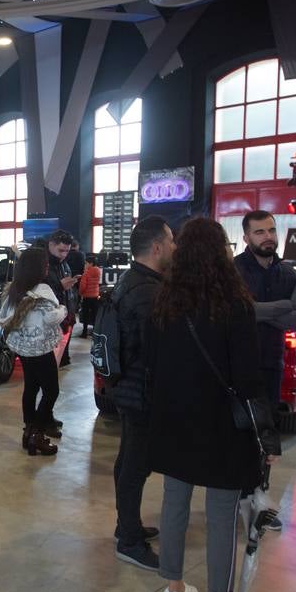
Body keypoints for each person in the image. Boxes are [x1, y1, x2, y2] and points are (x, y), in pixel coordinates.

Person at [145, 218, 281, 592]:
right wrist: (267, 434)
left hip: (175, 421)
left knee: (175, 504)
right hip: (222, 426)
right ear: (222, 252)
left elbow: (155, 369)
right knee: (222, 516)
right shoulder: (234, 305)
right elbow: (248, 377)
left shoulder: (163, 301)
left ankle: (173, 590)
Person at [233, 210, 296, 531]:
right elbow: (234, 313)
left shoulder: (287, 274)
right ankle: (239, 498)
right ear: (247, 237)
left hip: (273, 365)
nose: (267, 237)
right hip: (239, 366)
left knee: (268, 437)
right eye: (259, 232)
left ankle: (259, 498)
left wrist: (259, 312)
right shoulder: (233, 271)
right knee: (240, 437)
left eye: (271, 230)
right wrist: (280, 309)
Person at [110, 217, 175, 572]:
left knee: (127, 462)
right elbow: (156, 350)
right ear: (157, 247)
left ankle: (127, 525)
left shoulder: (132, 280)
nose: (175, 247)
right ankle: (129, 542)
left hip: (127, 387)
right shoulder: (147, 291)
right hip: (141, 391)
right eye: (171, 241)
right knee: (135, 466)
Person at [0, 246, 65, 456]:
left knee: (31, 389)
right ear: (39, 268)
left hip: (23, 349)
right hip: (41, 349)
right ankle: (36, 434)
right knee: (51, 391)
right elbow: (51, 318)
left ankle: (28, 431)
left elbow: (4, 317)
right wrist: (63, 309)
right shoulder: (43, 291)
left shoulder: (14, 290)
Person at [43, 230, 80, 367]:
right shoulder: (42, 264)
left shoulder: (64, 264)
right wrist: (59, 286)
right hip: (51, 320)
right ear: (51, 244)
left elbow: (68, 291)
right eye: (61, 250)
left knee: (59, 361)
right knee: (50, 365)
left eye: (67, 251)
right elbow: (38, 294)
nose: (64, 255)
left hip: (66, 316)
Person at [78, 253, 102, 336]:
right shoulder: (98, 271)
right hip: (95, 296)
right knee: (95, 315)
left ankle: (84, 332)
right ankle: (95, 332)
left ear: (90, 263)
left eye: (86, 263)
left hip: (87, 297)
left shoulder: (86, 273)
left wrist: (80, 293)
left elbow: (82, 286)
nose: (85, 265)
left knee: (86, 315)